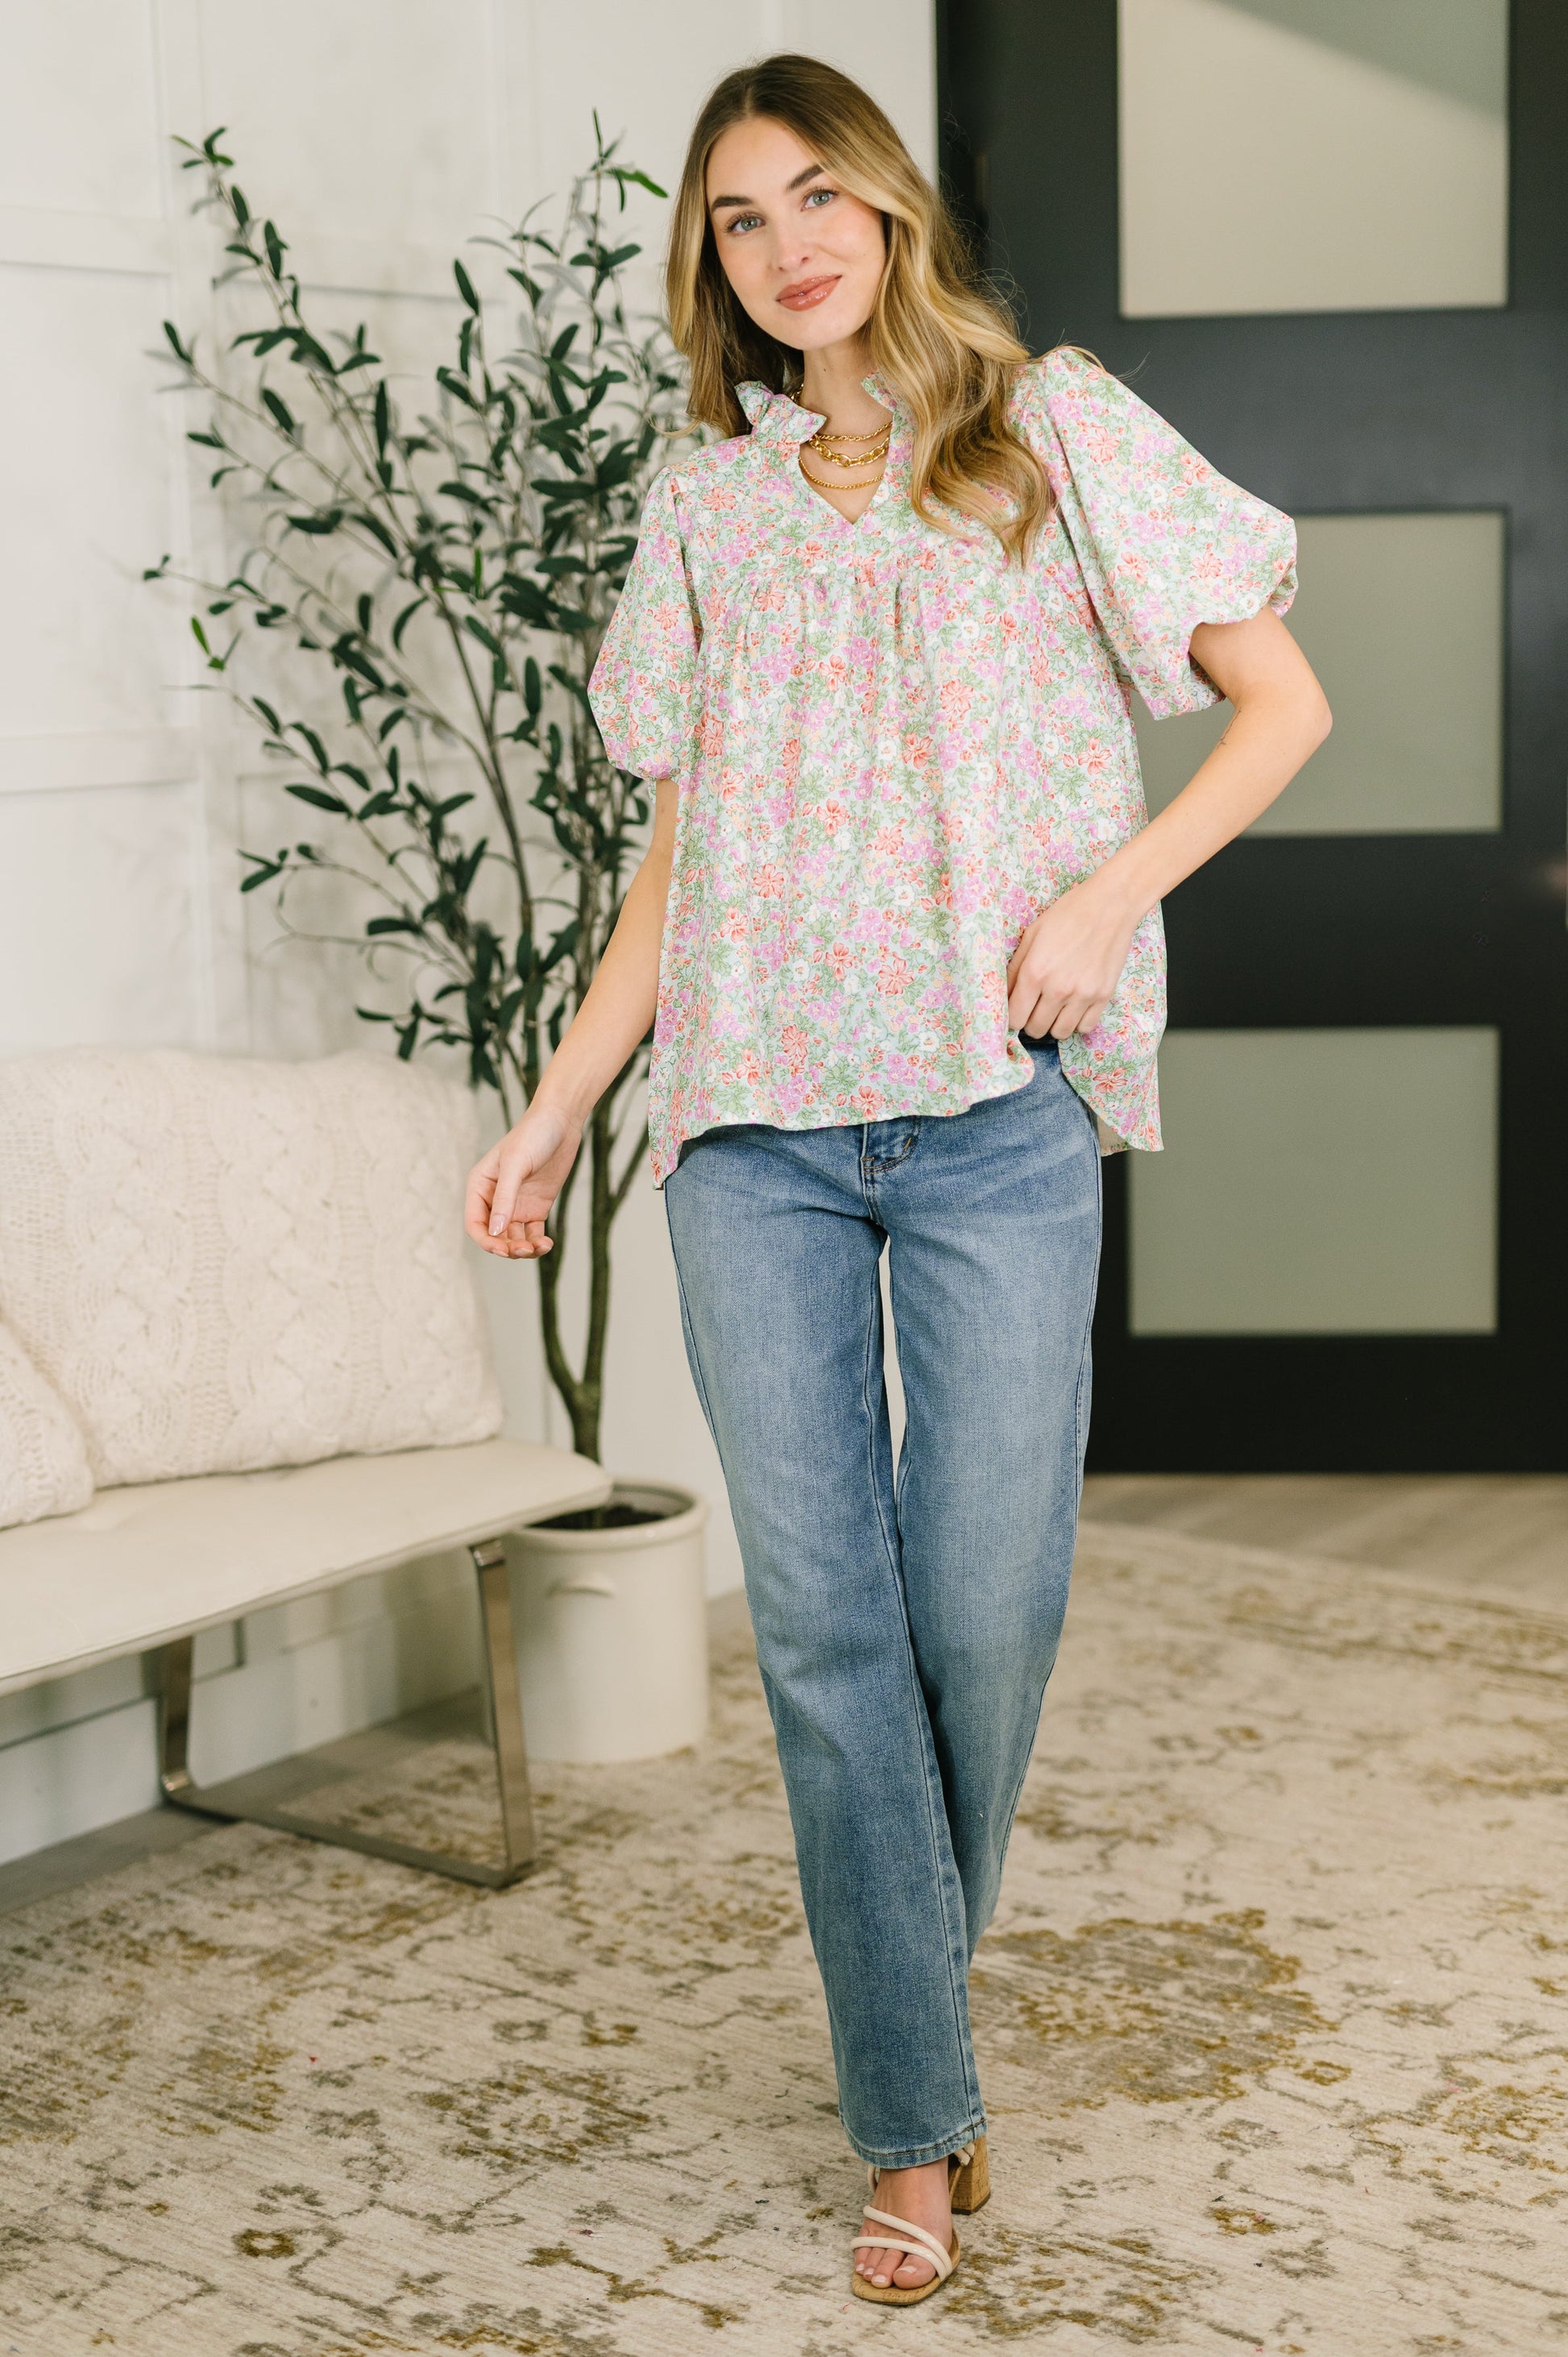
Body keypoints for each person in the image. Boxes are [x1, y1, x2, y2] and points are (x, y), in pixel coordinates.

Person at [466, 52, 1330, 2307]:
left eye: (818, 193)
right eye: (741, 219)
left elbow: (1279, 706)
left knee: (981, 1610)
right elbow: (685, 852)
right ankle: (915, 2126)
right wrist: (562, 1101)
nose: (788, 245)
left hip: (990, 1117)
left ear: (891, 209)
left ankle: (904, 2017)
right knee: (831, 1637)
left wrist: (1097, 901)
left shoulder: (1047, 434)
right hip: (748, 1129)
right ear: (716, 267)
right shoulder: (704, 510)